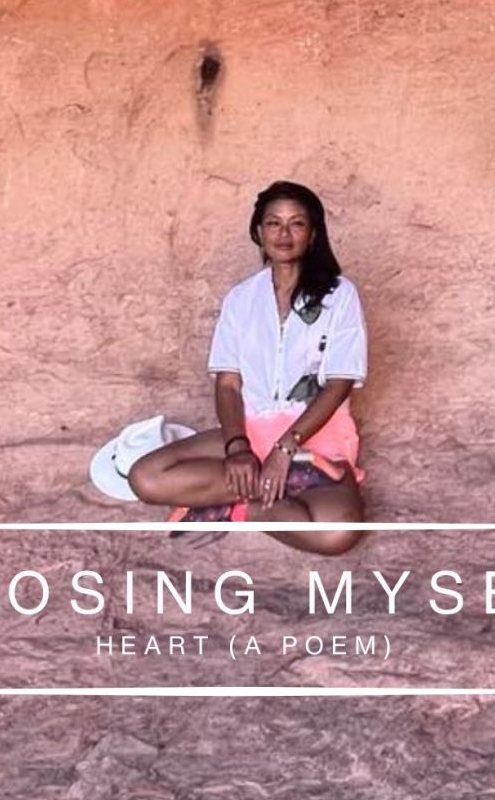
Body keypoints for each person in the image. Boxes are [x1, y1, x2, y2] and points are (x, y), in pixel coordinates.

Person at [128, 181, 369, 556]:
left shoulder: (339, 295)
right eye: (273, 223)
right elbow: (228, 385)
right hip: (253, 427)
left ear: (313, 233)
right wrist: (238, 448)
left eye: (296, 224)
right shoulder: (241, 299)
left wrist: (284, 449)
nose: (284, 234)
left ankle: (243, 506)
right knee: (145, 478)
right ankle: (278, 483)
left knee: (336, 535)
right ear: (258, 232)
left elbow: (338, 383)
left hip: (313, 435)